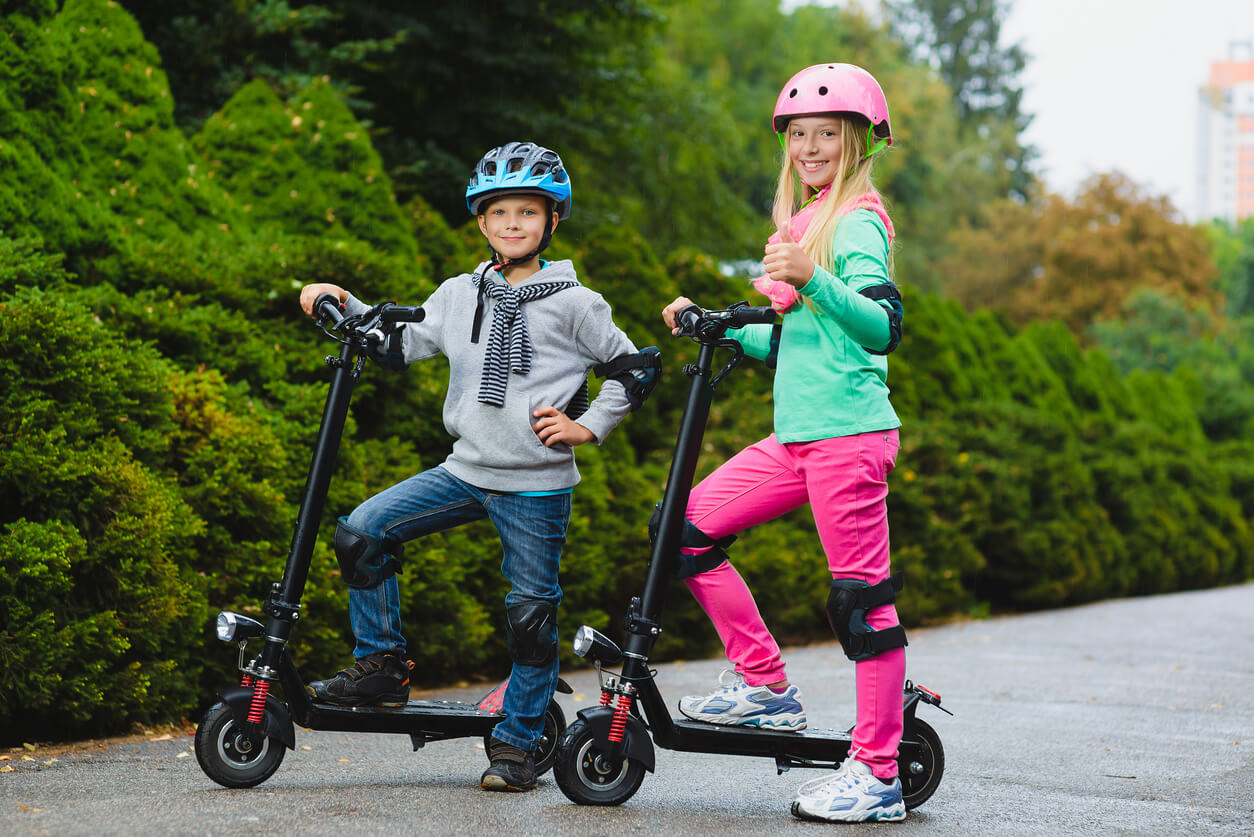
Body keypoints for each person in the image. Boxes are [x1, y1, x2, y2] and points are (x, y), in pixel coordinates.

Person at [299, 141, 657, 792]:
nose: (513, 223)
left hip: (536, 488)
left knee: (530, 619)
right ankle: (380, 663)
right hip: (463, 470)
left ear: (553, 220)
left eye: (528, 211)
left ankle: (517, 745)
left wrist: (588, 424)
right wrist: (343, 304)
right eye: (500, 212)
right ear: (482, 222)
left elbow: (636, 369)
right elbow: (397, 343)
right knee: (363, 532)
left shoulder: (578, 302)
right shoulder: (458, 294)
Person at [660, 63, 908, 823]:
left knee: (861, 602)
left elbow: (881, 326)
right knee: (686, 529)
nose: (809, 146)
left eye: (825, 134)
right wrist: (719, 323)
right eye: (799, 135)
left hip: (850, 436)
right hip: (796, 437)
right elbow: (794, 343)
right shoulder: (797, 226)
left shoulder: (856, 220)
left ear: (856, 141)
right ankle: (766, 687)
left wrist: (815, 278)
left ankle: (877, 774)